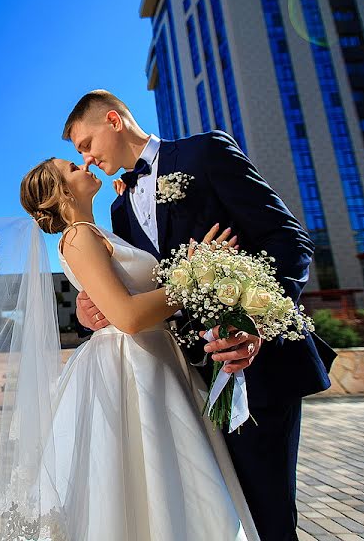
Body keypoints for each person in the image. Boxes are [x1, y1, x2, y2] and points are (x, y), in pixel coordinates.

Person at [63, 89, 336, 540]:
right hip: (186, 383)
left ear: (113, 120)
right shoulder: (118, 207)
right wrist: (94, 307)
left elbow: (289, 241)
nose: (87, 160)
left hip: (253, 366)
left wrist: (256, 325)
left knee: (266, 511)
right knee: (217, 514)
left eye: (85, 145)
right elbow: (146, 289)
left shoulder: (206, 151)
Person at [18, 157, 258, 539]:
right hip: (130, 365)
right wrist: (194, 277)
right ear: (62, 191)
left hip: (156, 358)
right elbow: (127, 317)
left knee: (169, 480)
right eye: (73, 167)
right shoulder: (78, 236)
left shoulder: (99, 233)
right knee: (145, 477)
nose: (85, 165)